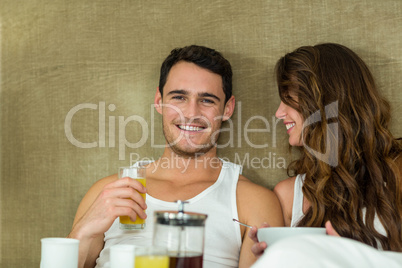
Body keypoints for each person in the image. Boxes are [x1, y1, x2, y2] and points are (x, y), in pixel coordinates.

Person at [68, 45, 284, 268]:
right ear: (159, 101)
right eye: (179, 97)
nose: (191, 113)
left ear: (227, 109)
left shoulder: (253, 202)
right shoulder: (109, 192)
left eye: (207, 100)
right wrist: (83, 231)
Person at [249, 43, 402, 266]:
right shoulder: (288, 195)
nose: (279, 113)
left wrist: (351, 258)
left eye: (289, 97)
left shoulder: (397, 171)